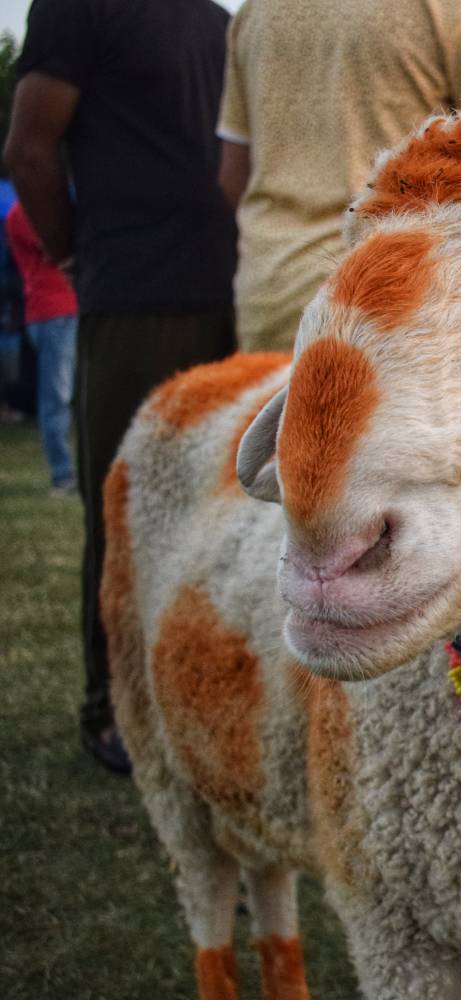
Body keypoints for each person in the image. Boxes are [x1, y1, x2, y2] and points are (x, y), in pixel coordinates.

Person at [4, 0, 239, 773]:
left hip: (230, 291)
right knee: (126, 511)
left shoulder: (220, 22)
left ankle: (196, 704)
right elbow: (29, 151)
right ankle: (110, 711)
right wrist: (74, 257)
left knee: (223, 521)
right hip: (134, 293)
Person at [217, 0, 461, 351]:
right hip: (392, 302)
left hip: (270, 295)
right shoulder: (448, 7)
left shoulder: (256, 12)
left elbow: (232, 176)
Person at [4, 199, 77, 496]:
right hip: (52, 311)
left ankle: (72, 474)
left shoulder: (25, 211)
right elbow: (57, 247)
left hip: (59, 309)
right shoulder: (24, 212)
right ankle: (62, 476)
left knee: (63, 396)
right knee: (56, 398)